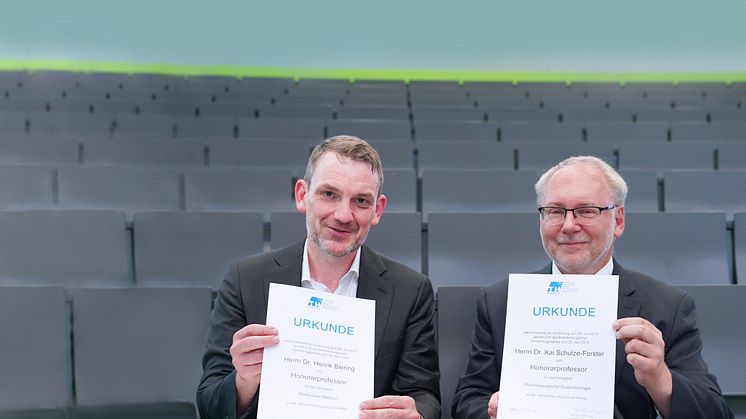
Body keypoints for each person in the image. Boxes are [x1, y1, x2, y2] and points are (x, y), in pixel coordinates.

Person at [451, 156, 733, 419]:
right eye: (555, 211)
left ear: (618, 220)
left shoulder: (667, 306)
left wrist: (661, 380)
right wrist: (493, 410)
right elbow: (468, 399)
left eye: (587, 211)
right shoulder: (500, 300)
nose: (569, 225)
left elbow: (716, 412)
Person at [197, 135, 440, 419]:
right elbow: (209, 404)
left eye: (361, 201)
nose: (343, 215)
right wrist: (244, 381)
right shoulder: (245, 280)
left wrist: (417, 414)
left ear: (378, 210)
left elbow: (424, 396)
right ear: (302, 195)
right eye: (329, 194)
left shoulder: (410, 290)